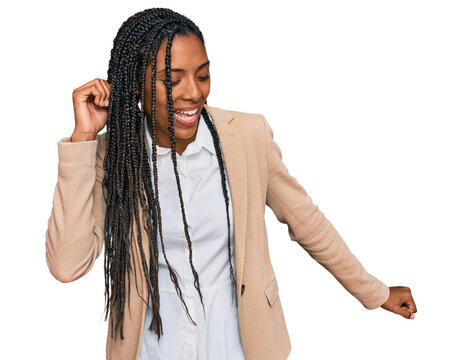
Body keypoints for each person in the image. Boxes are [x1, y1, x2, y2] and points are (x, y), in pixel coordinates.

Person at [45, 7, 417, 360]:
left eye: (203, 75)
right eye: (172, 80)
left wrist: (375, 292)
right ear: (134, 86)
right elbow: (67, 266)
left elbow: (307, 222)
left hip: (240, 341)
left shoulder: (247, 137)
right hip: (153, 346)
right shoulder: (114, 155)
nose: (193, 92)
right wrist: (83, 137)